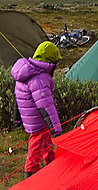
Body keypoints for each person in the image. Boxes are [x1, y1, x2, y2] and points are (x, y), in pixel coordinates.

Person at [11, 41, 62, 178]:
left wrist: (17, 118)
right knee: (37, 144)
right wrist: (56, 130)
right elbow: (46, 106)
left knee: (46, 141)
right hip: (38, 119)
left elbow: (17, 97)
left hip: (29, 115)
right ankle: (31, 172)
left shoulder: (26, 71)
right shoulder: (41, 78)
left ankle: (51, 164)